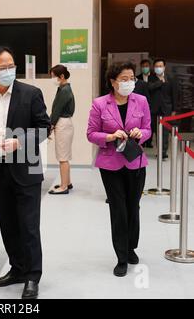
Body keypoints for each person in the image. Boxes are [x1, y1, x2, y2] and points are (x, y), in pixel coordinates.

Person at [0, 46, 51, 299]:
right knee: (8, 225)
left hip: (26, 170)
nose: (8, 71)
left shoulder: (31, 94)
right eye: (2, 67)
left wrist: (20, 141)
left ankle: (32, 277)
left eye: (11, 66)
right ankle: (16, 269)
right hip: (0, 170)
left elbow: (44, 128)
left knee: (29, 226)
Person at [86, 62, 151, 277]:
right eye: (124, 78)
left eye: (132, 78)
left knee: (133, 207)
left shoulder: (140, 101)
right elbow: (91, 133)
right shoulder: (100, 104)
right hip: (111, 164)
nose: (129, 82)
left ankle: (131, 246)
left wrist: (140, 133)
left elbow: (148, 128)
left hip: (135, 162)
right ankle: (121, 256)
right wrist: (110, 137)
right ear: (113, 82)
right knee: (118, 209)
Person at [48, 64, 75, 195]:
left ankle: (63, 186)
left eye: (54, 76)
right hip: (64, 123)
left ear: (62, 76)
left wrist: (50, 126)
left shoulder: (64, 91)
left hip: (62, 123)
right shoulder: (63, 88)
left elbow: (57, 110)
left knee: (62, 157)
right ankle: (67, 182)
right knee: (64, 156)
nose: (52, 79)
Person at [148, 58, 178, 160]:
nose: (158, 68)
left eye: (160, 66)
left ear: (164, 67)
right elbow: (150, 88)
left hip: (167, 109)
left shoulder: (171, 78)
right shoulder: (151, 78)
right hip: (154, 109)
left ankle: (163, 152)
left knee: (165, 132)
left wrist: (174, 109)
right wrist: (160, 82)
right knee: (156, 131)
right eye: (156, 66)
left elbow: (174, 94)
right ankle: (159, 150)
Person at [135, 60, 152, 147]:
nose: (145, 68)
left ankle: (149, 142)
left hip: (149, 104)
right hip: (138, 105)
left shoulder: (154, 77)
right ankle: (142, 142)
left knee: (148, 125)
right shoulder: (137, 79)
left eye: (147, 66)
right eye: (143, 66)